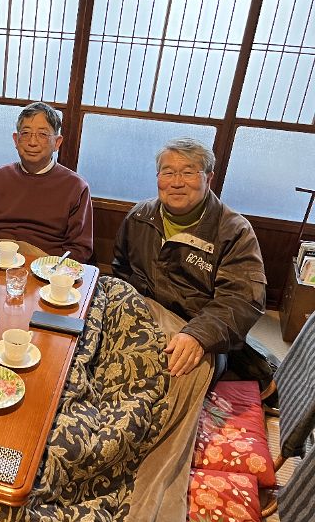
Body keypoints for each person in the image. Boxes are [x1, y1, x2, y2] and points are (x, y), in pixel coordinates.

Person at [112, 138, 267, 377]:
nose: (176, 183)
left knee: (172, 376)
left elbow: (242, 299)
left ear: (208, 178)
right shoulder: (139, 216)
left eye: (188, 172)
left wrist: (198, 335)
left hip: (197, 330)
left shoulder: (234, 231)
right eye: (168, 172)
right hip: (143, 314)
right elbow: (121, 270)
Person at [0, 102, 93, 262]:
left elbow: (79, 248)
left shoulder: (76, 187)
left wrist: (50, 269)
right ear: (16, 140)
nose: (32, 142)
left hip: (46, 270)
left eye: (42, 134)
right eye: (25, 133)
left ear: (57, 143)